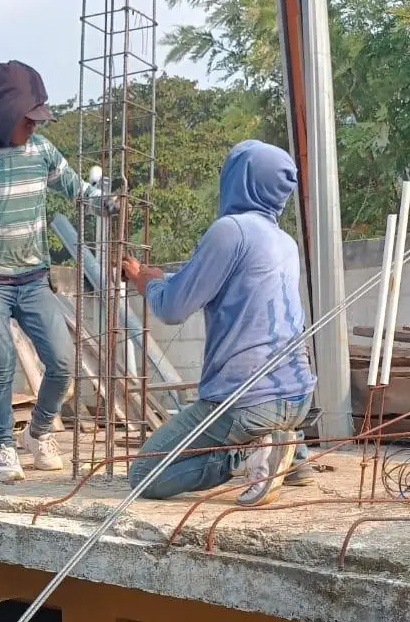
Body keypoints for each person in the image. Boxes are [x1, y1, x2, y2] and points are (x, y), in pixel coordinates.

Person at [0, 60, 113, 481]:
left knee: (62, 362)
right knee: (1, 360)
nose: (33, 128)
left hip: (32, 277)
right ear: (6, 114)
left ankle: (39, 432)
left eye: (37, 121)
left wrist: (107, 202)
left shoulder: (41, 151)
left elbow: (76, 189)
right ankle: (3, 450)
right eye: (27, 121)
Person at [121, 139, 317, 506]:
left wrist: (149, 282)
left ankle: (248, 453)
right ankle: (293, 452)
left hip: (248, 401)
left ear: (239, 179)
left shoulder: (230, 230)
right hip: (299, 397)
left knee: (145, 473)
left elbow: (173, 308)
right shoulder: (284, 242)